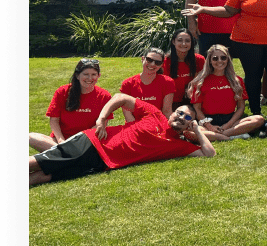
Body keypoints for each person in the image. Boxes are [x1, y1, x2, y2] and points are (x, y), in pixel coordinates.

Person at [29, 97, 214, 187]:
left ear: (189, 125)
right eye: (180, 113)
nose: (181, 117)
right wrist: (102, 118)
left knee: (45, 177)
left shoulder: (178, 145)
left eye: (187, 117)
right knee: (37, 163)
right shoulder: (154, 114)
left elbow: (209, 153)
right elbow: (121, 97)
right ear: (172, 113)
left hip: (102, 164)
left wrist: (197, 129)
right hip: (93, 143)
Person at [28, 58, 112, 151]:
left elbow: (102, 124)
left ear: (98, 76)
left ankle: (63, 155)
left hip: (87, 141)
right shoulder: (62, 92)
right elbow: (54, 120)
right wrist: (61, 142)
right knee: (31, 137)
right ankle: (67, 153)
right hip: (61, 142)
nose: (89, 78)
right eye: (85, 74)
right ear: (77, 75)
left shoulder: (104, 96)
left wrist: (79, 142)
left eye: (93, 74)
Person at [185, 44, 266, 140]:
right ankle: (231, 134)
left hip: (230, 120)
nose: (219, 61)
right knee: (188, 131)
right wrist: (209, 126)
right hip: (207, 120)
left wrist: (228, 125)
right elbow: (197, 109)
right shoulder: (200, 81)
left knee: (259, 119)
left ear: (228, 60)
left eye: (223, 58)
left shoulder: (237, 80)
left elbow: (241, 107)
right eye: (215, 58)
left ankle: (221, 135)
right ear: (210, 61)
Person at [119, 47, 176, 123]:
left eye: (157, 62)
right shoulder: (128, 83)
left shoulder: (167, 82)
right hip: (134, 125)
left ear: (161, 65)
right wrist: (138, 128)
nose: (152, 64)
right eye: (149, 60)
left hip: (157, 124)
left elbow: (166, 111)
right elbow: (128, 115)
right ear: (143, 59)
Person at [162, 28, 205, 107]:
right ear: (173, 42)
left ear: (191, 43)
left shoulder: (199, 60)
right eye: (180, 40)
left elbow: (203, 81)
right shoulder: (166, 61)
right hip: (171, 102)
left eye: (187, 41)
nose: (184, 44)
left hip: (193, 102)